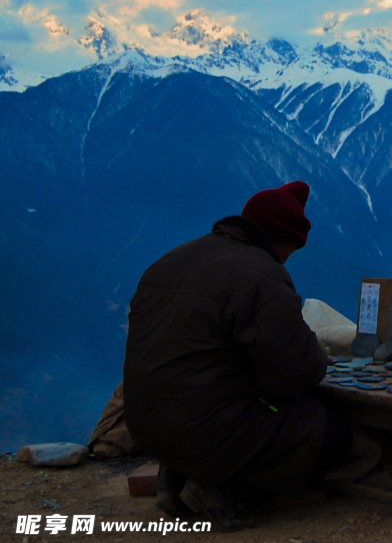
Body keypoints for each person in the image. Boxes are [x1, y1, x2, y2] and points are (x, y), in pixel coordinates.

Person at [123, 181, 353, 529]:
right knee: (322, 429)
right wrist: (316, 352)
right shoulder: (262, 274)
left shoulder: (174, 258)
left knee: (220, 402)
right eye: (292, 249)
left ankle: (178, 477)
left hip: (143, 423)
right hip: (202, 429)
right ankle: (229, 492)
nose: (288, 259)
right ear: (283, 239)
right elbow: (296, 373)